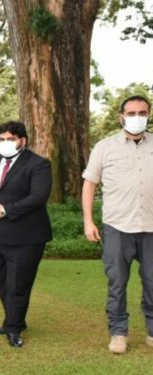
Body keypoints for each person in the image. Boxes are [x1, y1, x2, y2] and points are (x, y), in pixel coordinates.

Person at [82, 95, 153, 354]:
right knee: (117, 282)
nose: (137, 117)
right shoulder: (105, 147)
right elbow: (89, 184)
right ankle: (118, 332)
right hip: (117, 227)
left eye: (142, 112)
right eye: (132, 113)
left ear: (149, 114)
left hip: (151, 228)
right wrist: (88, 221)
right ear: (121, 117)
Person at [0, 121, 52, 348]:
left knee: (18, 284)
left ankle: (14, 327)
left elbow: (38, 197)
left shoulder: (38, 164)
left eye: (10, 139)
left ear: (22, 141)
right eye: (2, 139)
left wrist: (5, 211)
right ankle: (15, 319)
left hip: (26, 238)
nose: (5, 143)